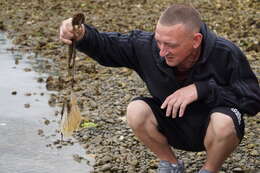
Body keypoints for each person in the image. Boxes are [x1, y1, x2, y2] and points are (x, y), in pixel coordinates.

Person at [59, 4, 260, 173]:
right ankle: (171, 164)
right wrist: (82, 34)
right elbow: (107, 46)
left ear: (196, 40)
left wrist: (202, 89)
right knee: (136, 110)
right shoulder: (146, 46)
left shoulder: (225, 53)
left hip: (213, 131)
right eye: (159, 41)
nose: (162, 52)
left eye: (171, 45)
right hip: (173, 125)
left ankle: (209, 169)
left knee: (224, 122)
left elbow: (252, 99)